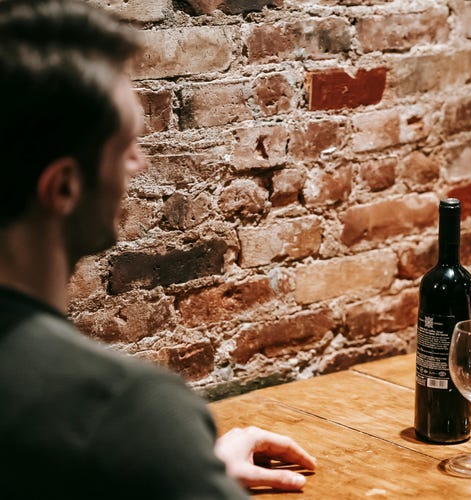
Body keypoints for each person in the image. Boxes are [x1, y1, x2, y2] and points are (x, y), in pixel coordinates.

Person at [0, 0, 316, 496]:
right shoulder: (124, 410)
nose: (139, 166)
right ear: (62, 187)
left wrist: (182, 469)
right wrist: (162, 450)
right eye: (126, 147)